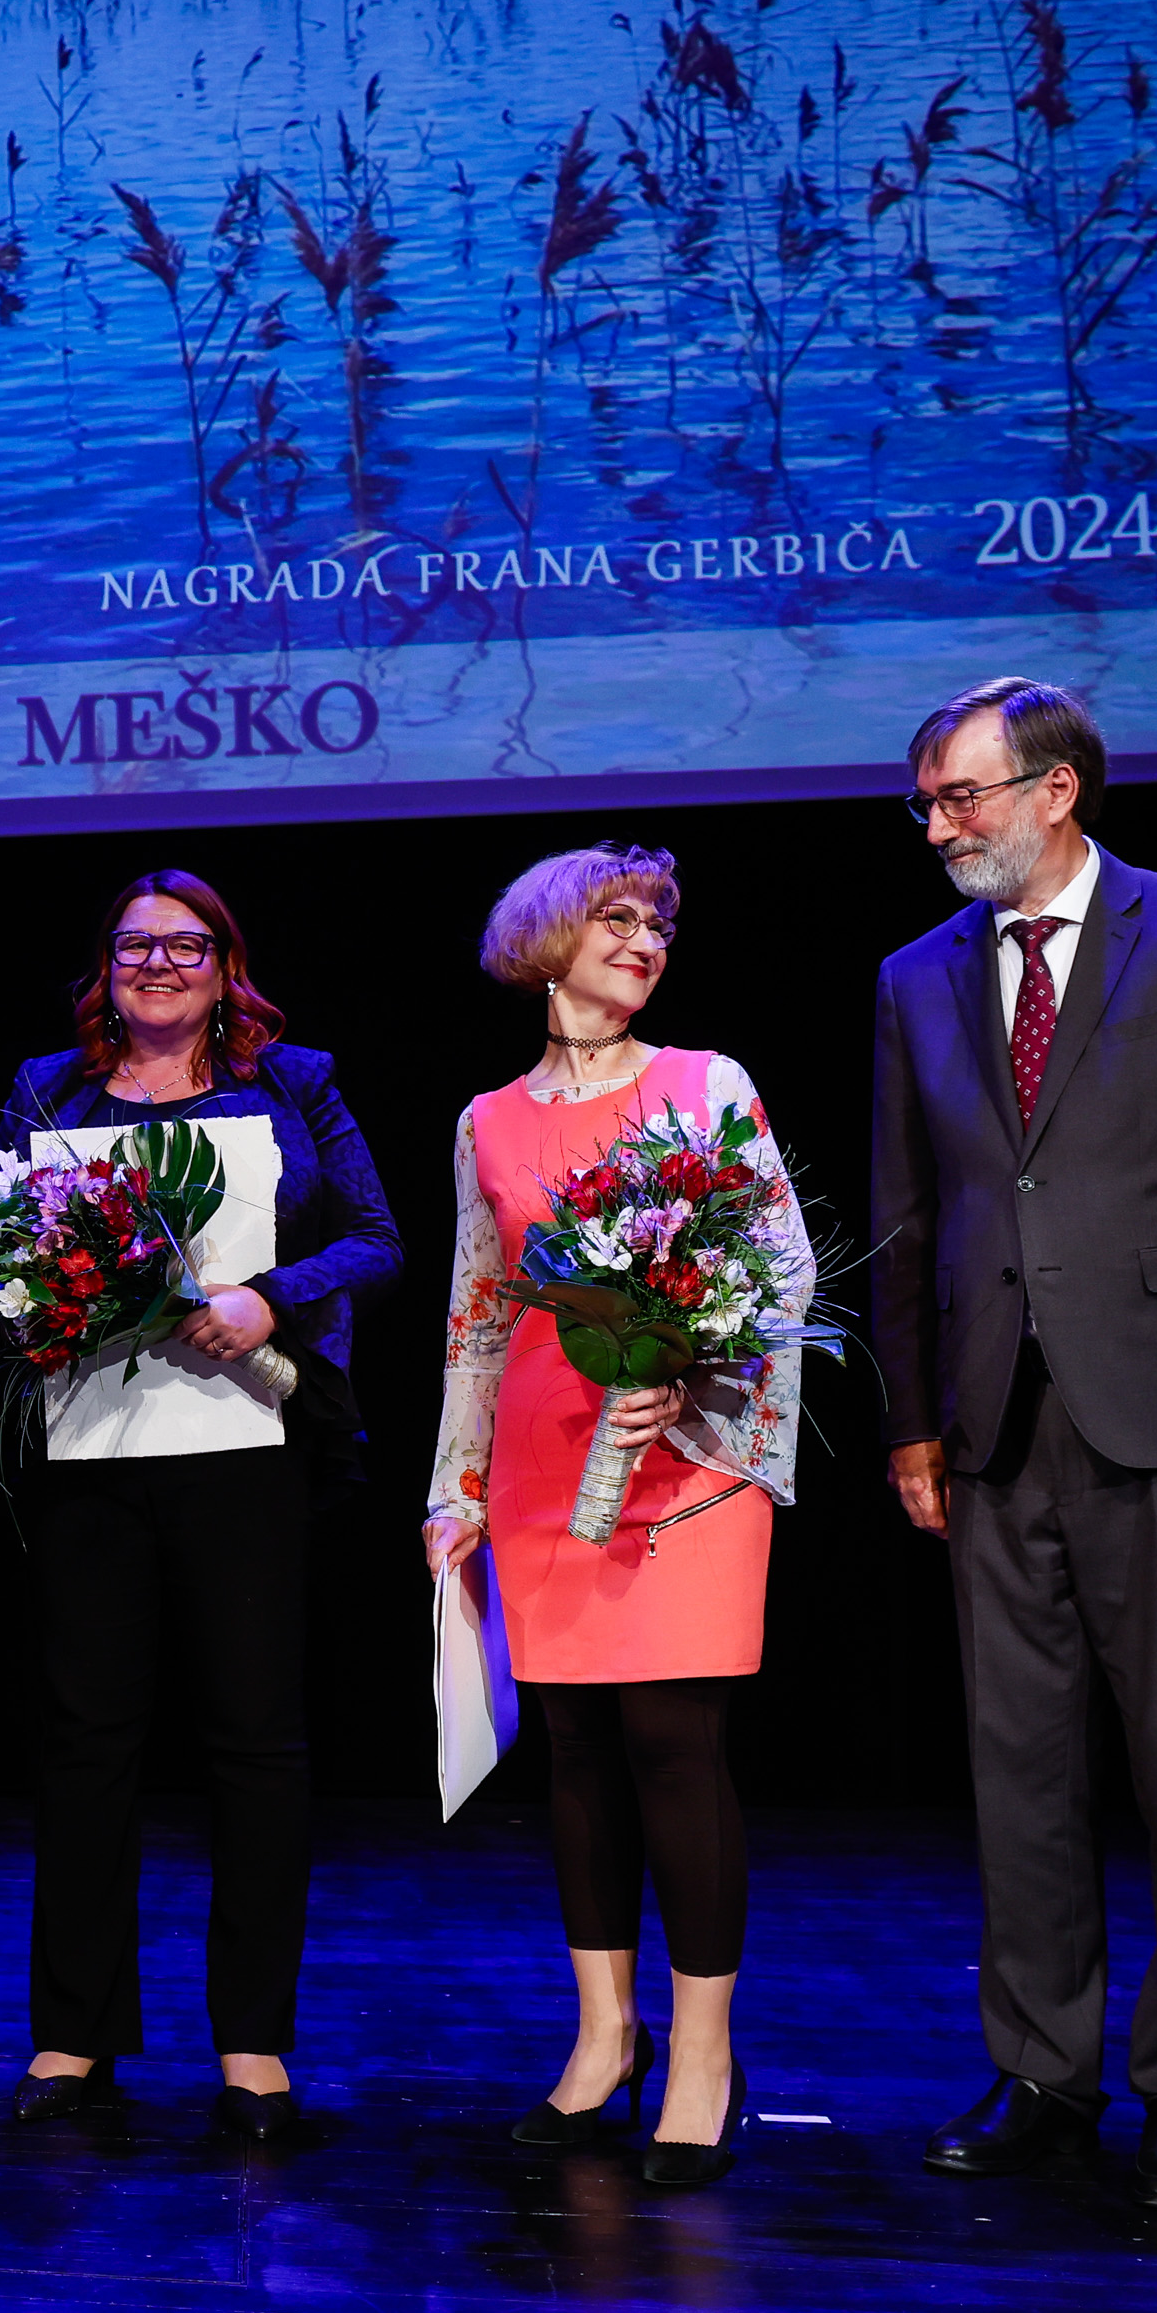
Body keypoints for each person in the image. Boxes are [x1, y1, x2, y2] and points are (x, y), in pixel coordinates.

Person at [874, 679, 1157, 2211]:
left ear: (1056, 788)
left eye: (963, 796)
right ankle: (1043, 2070)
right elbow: (908, 1213)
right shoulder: (917, 975)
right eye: (928, 802)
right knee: (1020, 1769)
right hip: (994, 1422)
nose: (940, 826)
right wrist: (913, 1419)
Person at [424, 844, 812, 2187]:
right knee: (578, 1750)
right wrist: (455, 1485)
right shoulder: (487, 1120)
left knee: (673, 1743)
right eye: (617, 917)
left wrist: (690, 1373)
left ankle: (703, 2055)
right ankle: (605, 2035)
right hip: (545, 1456)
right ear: (545, 941)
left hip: (685, 1453)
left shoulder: (707, 1084)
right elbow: (479, 1313)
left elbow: (780, 1268)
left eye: (658, 922)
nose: (646, 939)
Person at [0, 871, 399, 2141]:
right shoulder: (49, 1092)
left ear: (226, 967)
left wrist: (267, 1298)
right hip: (90, 1446)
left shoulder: (294, 1082)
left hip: (248, 1446)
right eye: (133, 947)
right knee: (85, 1741)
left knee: (253, 1743)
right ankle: (72, 2037)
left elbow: (376, 1237)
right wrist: (39, 1293)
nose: (156, 965)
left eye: (183, 947)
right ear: (103, 969)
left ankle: (252, 2046)